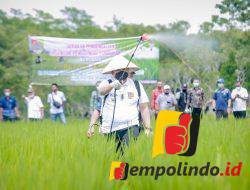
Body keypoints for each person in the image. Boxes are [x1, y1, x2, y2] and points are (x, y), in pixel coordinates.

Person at [97, 55, 151, 154]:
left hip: (131, 125)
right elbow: (101, 91)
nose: (121, 72)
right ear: (112, 73)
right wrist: (112, 85)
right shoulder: (107, 83)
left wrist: (148, 127)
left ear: (129, 71)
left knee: (125, 152)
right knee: (114, 155)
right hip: (110, 128)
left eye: (124, 69)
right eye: (118, 70)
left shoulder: (136, 85)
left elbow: (144, 108)